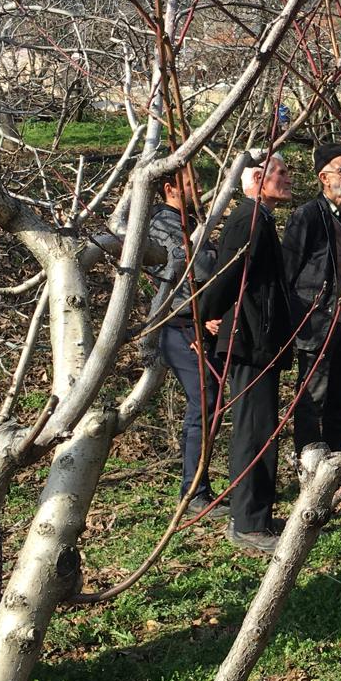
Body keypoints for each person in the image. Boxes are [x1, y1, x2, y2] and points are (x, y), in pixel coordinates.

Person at [205, 149, 296, 554]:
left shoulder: (260, 219)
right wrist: (205, 316)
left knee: (258, 428)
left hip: (258, 340)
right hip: (249, 341)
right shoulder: (249, 219)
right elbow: (227, 276)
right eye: (281, 172)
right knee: (254, 430)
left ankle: (254, 514)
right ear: (257, 179)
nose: (289, 177)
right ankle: (249, 523)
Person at [147, 166, 224, 514]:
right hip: (178, 328)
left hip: (197, 324)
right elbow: (195, 267)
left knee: (213, 403)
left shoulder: (190, 222)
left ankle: (200, 485)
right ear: (170, 188)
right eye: (191, 184)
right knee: (203, 404)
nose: (198, 189)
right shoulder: (164, 223)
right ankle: (193, 491)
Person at [281, 142, 341, 460]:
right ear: (324, 177)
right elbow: (287, 273)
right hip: (315, 324)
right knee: (312, 400)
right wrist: (296, 324)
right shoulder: (307, 217)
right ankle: (309, 464)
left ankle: (335, 463)